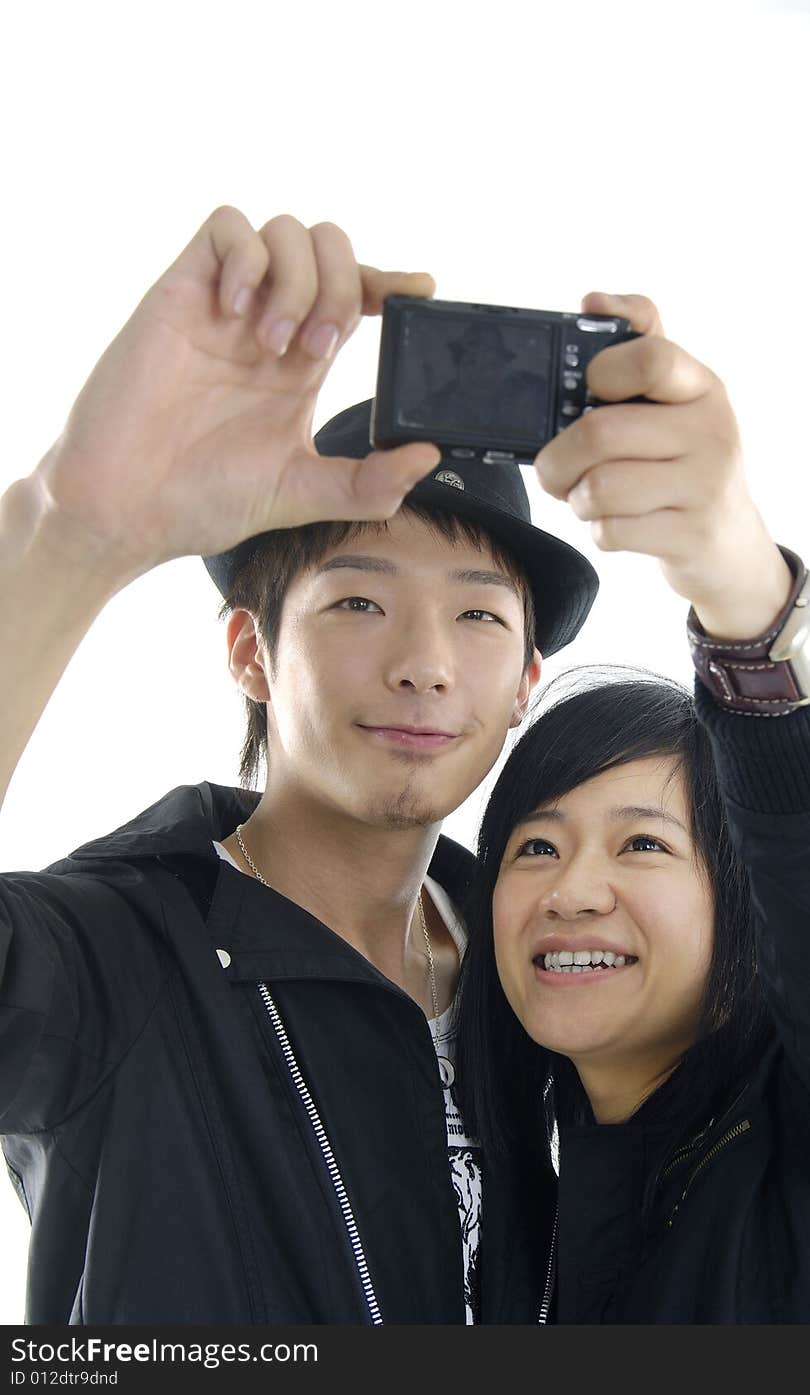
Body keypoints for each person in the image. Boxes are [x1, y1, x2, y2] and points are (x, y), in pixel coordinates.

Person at [0, 205, 603, 1324]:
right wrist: (72, 528)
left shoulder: (539, 961)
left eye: (478, 617)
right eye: (361, 601)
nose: (426, 665)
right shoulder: (121, 953)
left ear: (524, 683)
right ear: (251, 652)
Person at [454, 358, 810, 1318]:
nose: (572, 889)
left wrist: (744, 591)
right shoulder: (518, 1217)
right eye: (536, 846)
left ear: (744, 898)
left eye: (642, 845)